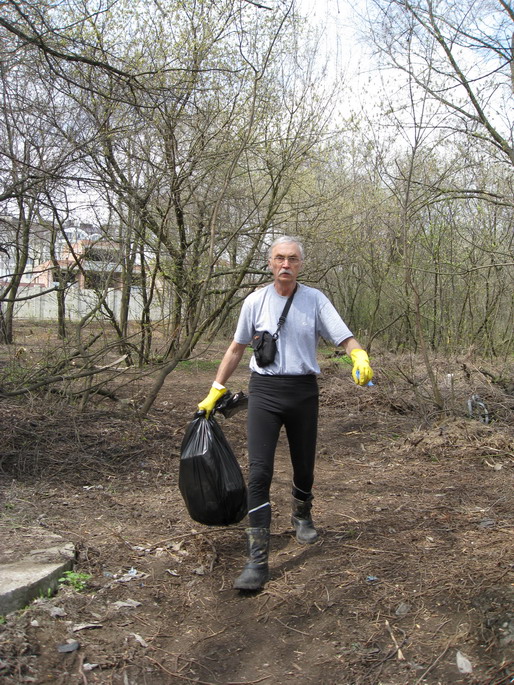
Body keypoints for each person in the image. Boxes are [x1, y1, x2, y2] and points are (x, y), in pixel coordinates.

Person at [198, 236, 373, 591]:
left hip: (303, 391)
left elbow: (344, 338)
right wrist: (216, 389)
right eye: (279, 258)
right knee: (259, 472)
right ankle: (256, 559)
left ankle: (301, 512)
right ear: (270, 263)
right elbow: (236, 348)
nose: (285, 264)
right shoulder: (255, 301)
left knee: (303, 466)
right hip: (264, 391)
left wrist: (359, 355)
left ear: (300, 264)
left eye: (292, 259)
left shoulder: (315, 300)